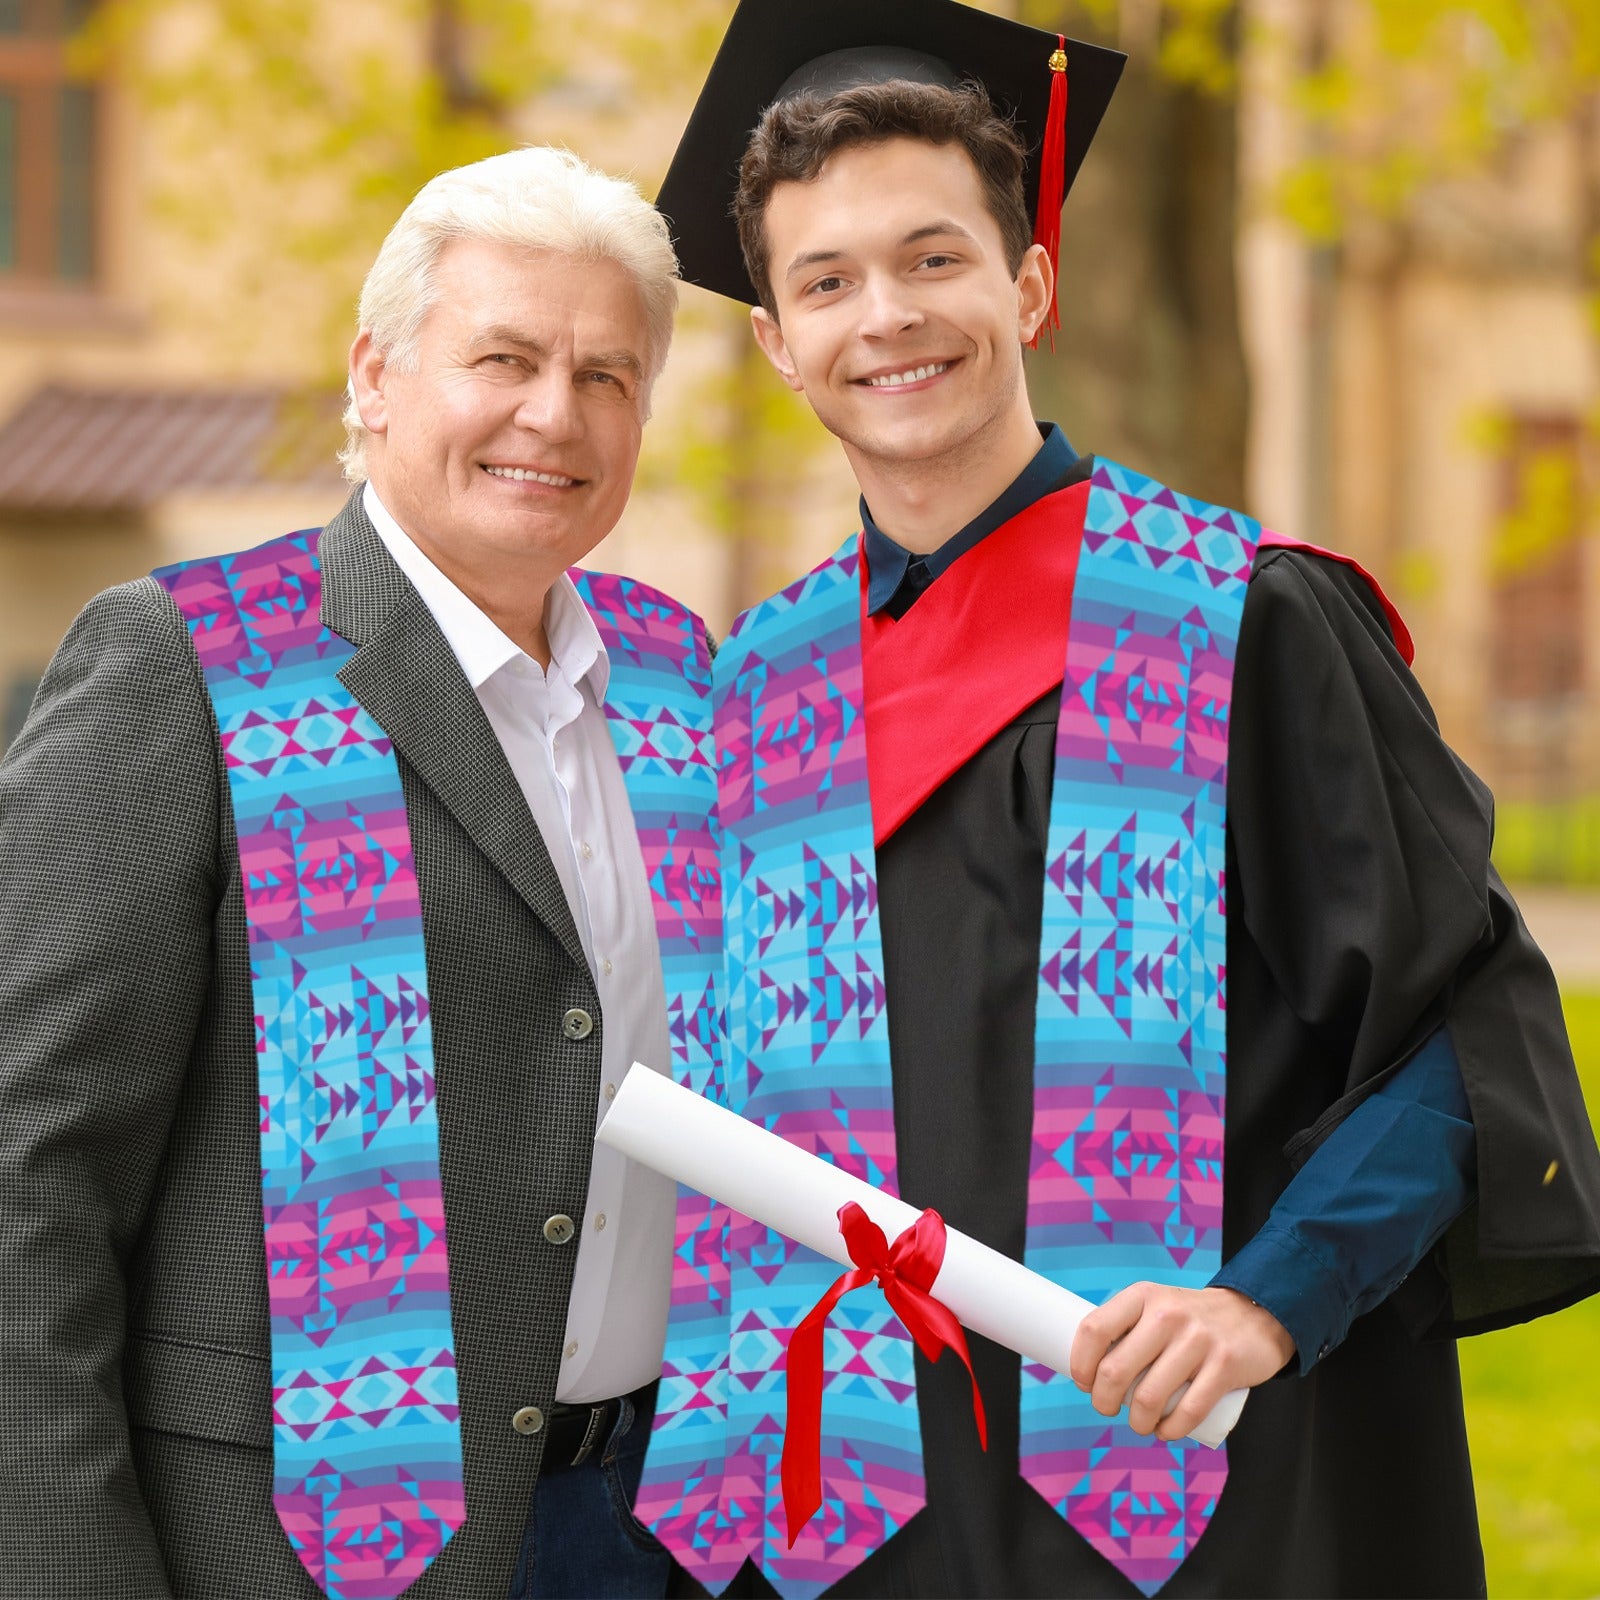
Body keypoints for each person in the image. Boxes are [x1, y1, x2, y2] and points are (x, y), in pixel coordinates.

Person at [631, 3, 1600, 1596]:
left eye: (935, 259)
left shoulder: (1242, 621)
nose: (888, 316)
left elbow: (1460, 1034)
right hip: (864, 1521)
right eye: (828, 281)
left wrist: (1269, 1299)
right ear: (777, 342)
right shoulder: (759, 695)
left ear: (1029, 282)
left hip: (1208, 1490)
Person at [0, 146, 719, 1600]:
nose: (552, 414)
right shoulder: (191, 664)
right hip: (300, 1550)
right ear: (375, 377)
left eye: (606, 375)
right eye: (503, 357)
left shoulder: (678, 676)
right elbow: (30, 1172)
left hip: (658, 1529)